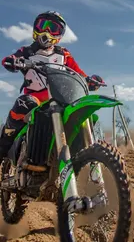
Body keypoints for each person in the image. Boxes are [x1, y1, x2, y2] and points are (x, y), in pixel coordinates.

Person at [0, 11, 104, 163]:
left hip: (60, 97)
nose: (46, 31)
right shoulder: (26, 51)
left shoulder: (64, 54)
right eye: (43, 26)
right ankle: (3, 148)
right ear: (35, 28)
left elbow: (78, 72)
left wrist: (90, 80)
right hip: (35, 98)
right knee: (24, 104)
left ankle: (82, 155)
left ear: (60, 34)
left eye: (52, 28)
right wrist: (13, 61)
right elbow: (10, 60)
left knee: (78, 109)